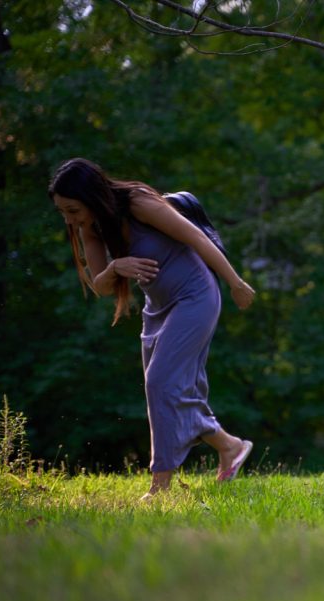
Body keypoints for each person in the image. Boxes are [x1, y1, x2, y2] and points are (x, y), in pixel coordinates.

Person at [48, 158, 256, 500]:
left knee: (160, 382)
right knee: (164, 389)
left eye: (73, 210)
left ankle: (159, 487)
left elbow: (196, 238)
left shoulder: (138, 202)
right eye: (62, 213)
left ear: (92, 196)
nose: (69, 219)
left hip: (195, 296)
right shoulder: (90, 228)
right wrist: (116, 266)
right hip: (157, 308)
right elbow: (100, 286)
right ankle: (229, 445)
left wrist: (235, 282)